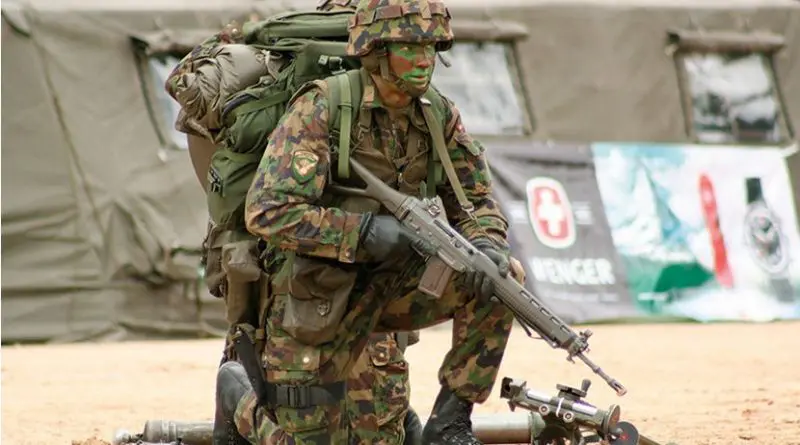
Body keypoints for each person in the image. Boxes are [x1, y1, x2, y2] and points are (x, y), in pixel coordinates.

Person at [216, 0, 524, 443]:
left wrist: (488, 244)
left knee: (503, 281)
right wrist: (361, 233)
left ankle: (450, 422)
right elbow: (268, 211)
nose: (423, 61)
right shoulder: (324, 107)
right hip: (317, 289)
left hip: (394, 286)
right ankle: (236, 394)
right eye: (409, 48)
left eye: (432, 48)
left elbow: (474, 201)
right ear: (377, 51)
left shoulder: (437, 114)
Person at [164, 1, 424, 444]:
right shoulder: (313, 86)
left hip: (284, 256)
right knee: (300, 385)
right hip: (301, 252)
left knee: (302, 367)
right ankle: (241, 402)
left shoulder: (268, 56)